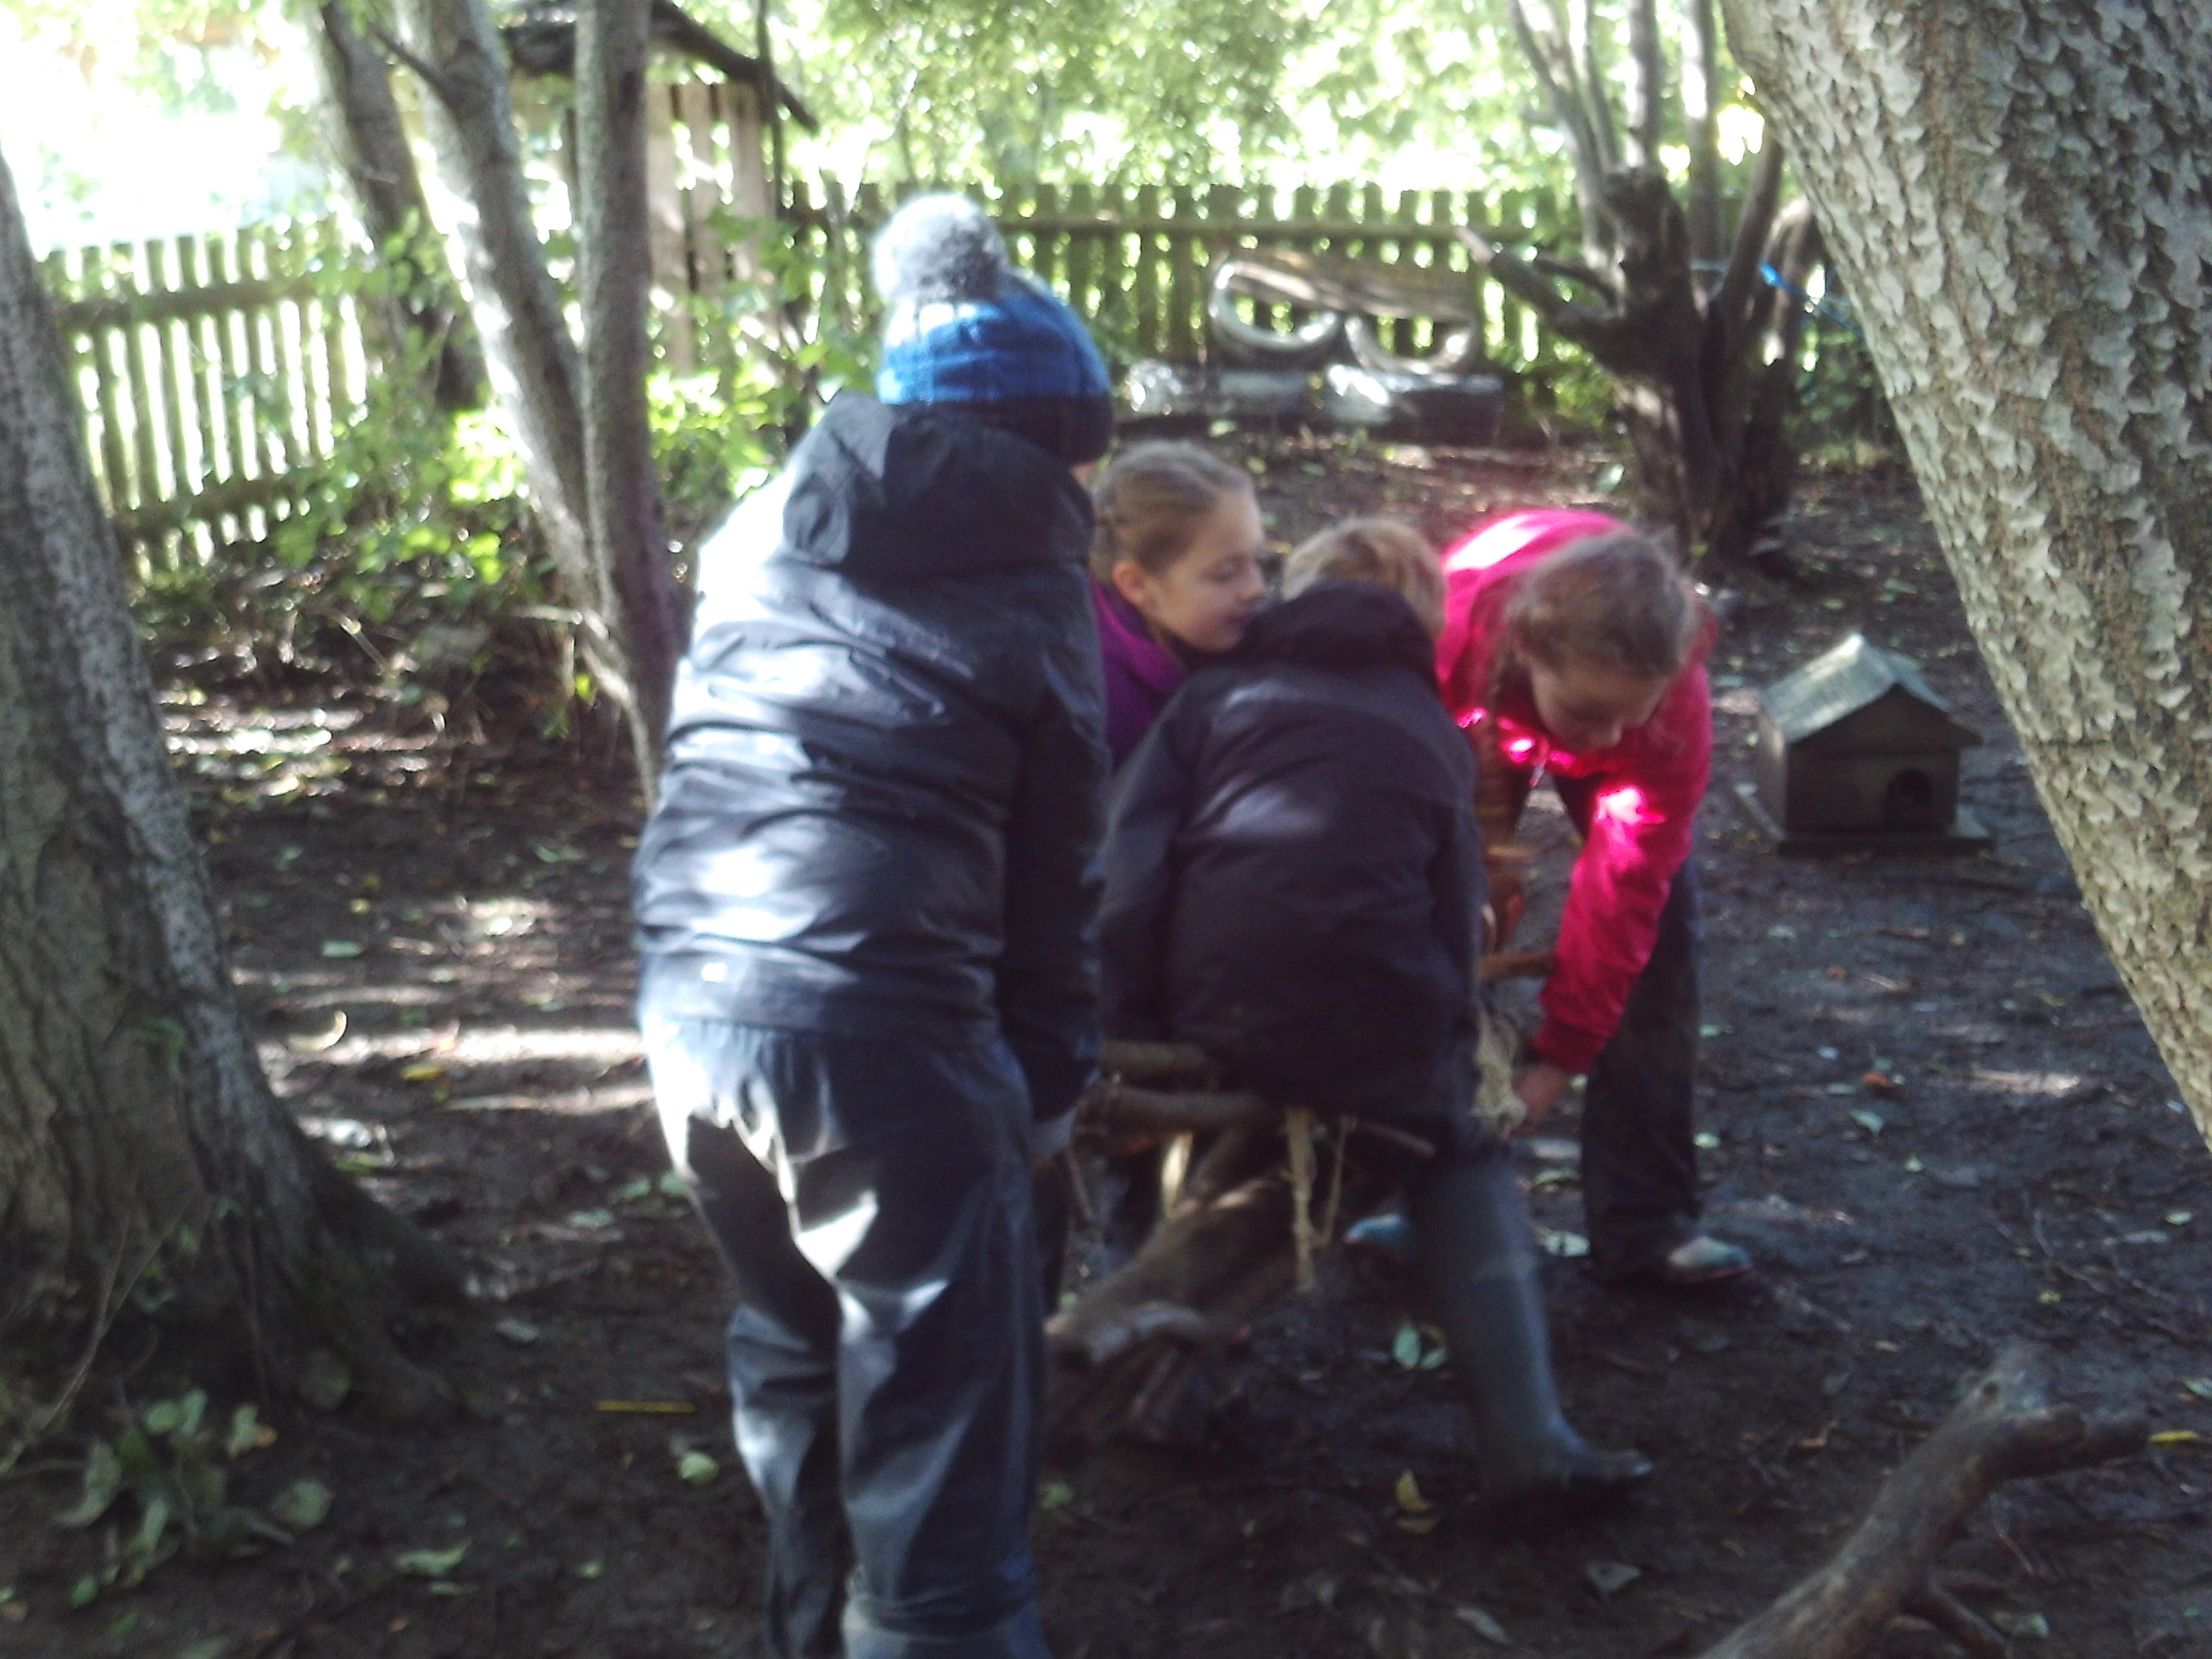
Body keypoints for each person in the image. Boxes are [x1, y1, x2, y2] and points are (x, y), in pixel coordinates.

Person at [632, 194, 1112, 1659]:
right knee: (945, 1447)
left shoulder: (755, 527)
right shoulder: (1035, 578)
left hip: (690, 1006)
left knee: (793, 1342)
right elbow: (1056, 879)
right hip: (885, 1038)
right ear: (1059, 438)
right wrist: (1046, 1089)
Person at [1099, 516, 1653, 1506]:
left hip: (1215, 1001)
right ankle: (1530, 1446)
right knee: (1456, 1145)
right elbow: (1451, 918)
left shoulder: (1212, 699)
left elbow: (1131, 875)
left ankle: (1166, 1399)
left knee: (1186, 1141)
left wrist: (1131, 1028)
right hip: (1373, 1012)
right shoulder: (1429, 731)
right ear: (1423, 628)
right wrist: (1453, 1040)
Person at [1434, 508, 1747, 1288]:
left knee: (1659, 942)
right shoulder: (1438, 648)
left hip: (1581, 712)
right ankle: (1424, 1195)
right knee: (1441, 925)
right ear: (1527, 651)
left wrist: (1560, 1057)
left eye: (1627, 715)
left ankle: (1647, 1220)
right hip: (1473, 710)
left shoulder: (1672, 704)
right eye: (1587, 714)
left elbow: (1625, 890)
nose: (1605, 739)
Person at [1089, 441, 1268, 766]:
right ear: (1137, 585)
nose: (1256, 589)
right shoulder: (1104, 704)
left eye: (1260, 559)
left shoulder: (1193, 629)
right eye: (1226, 574)